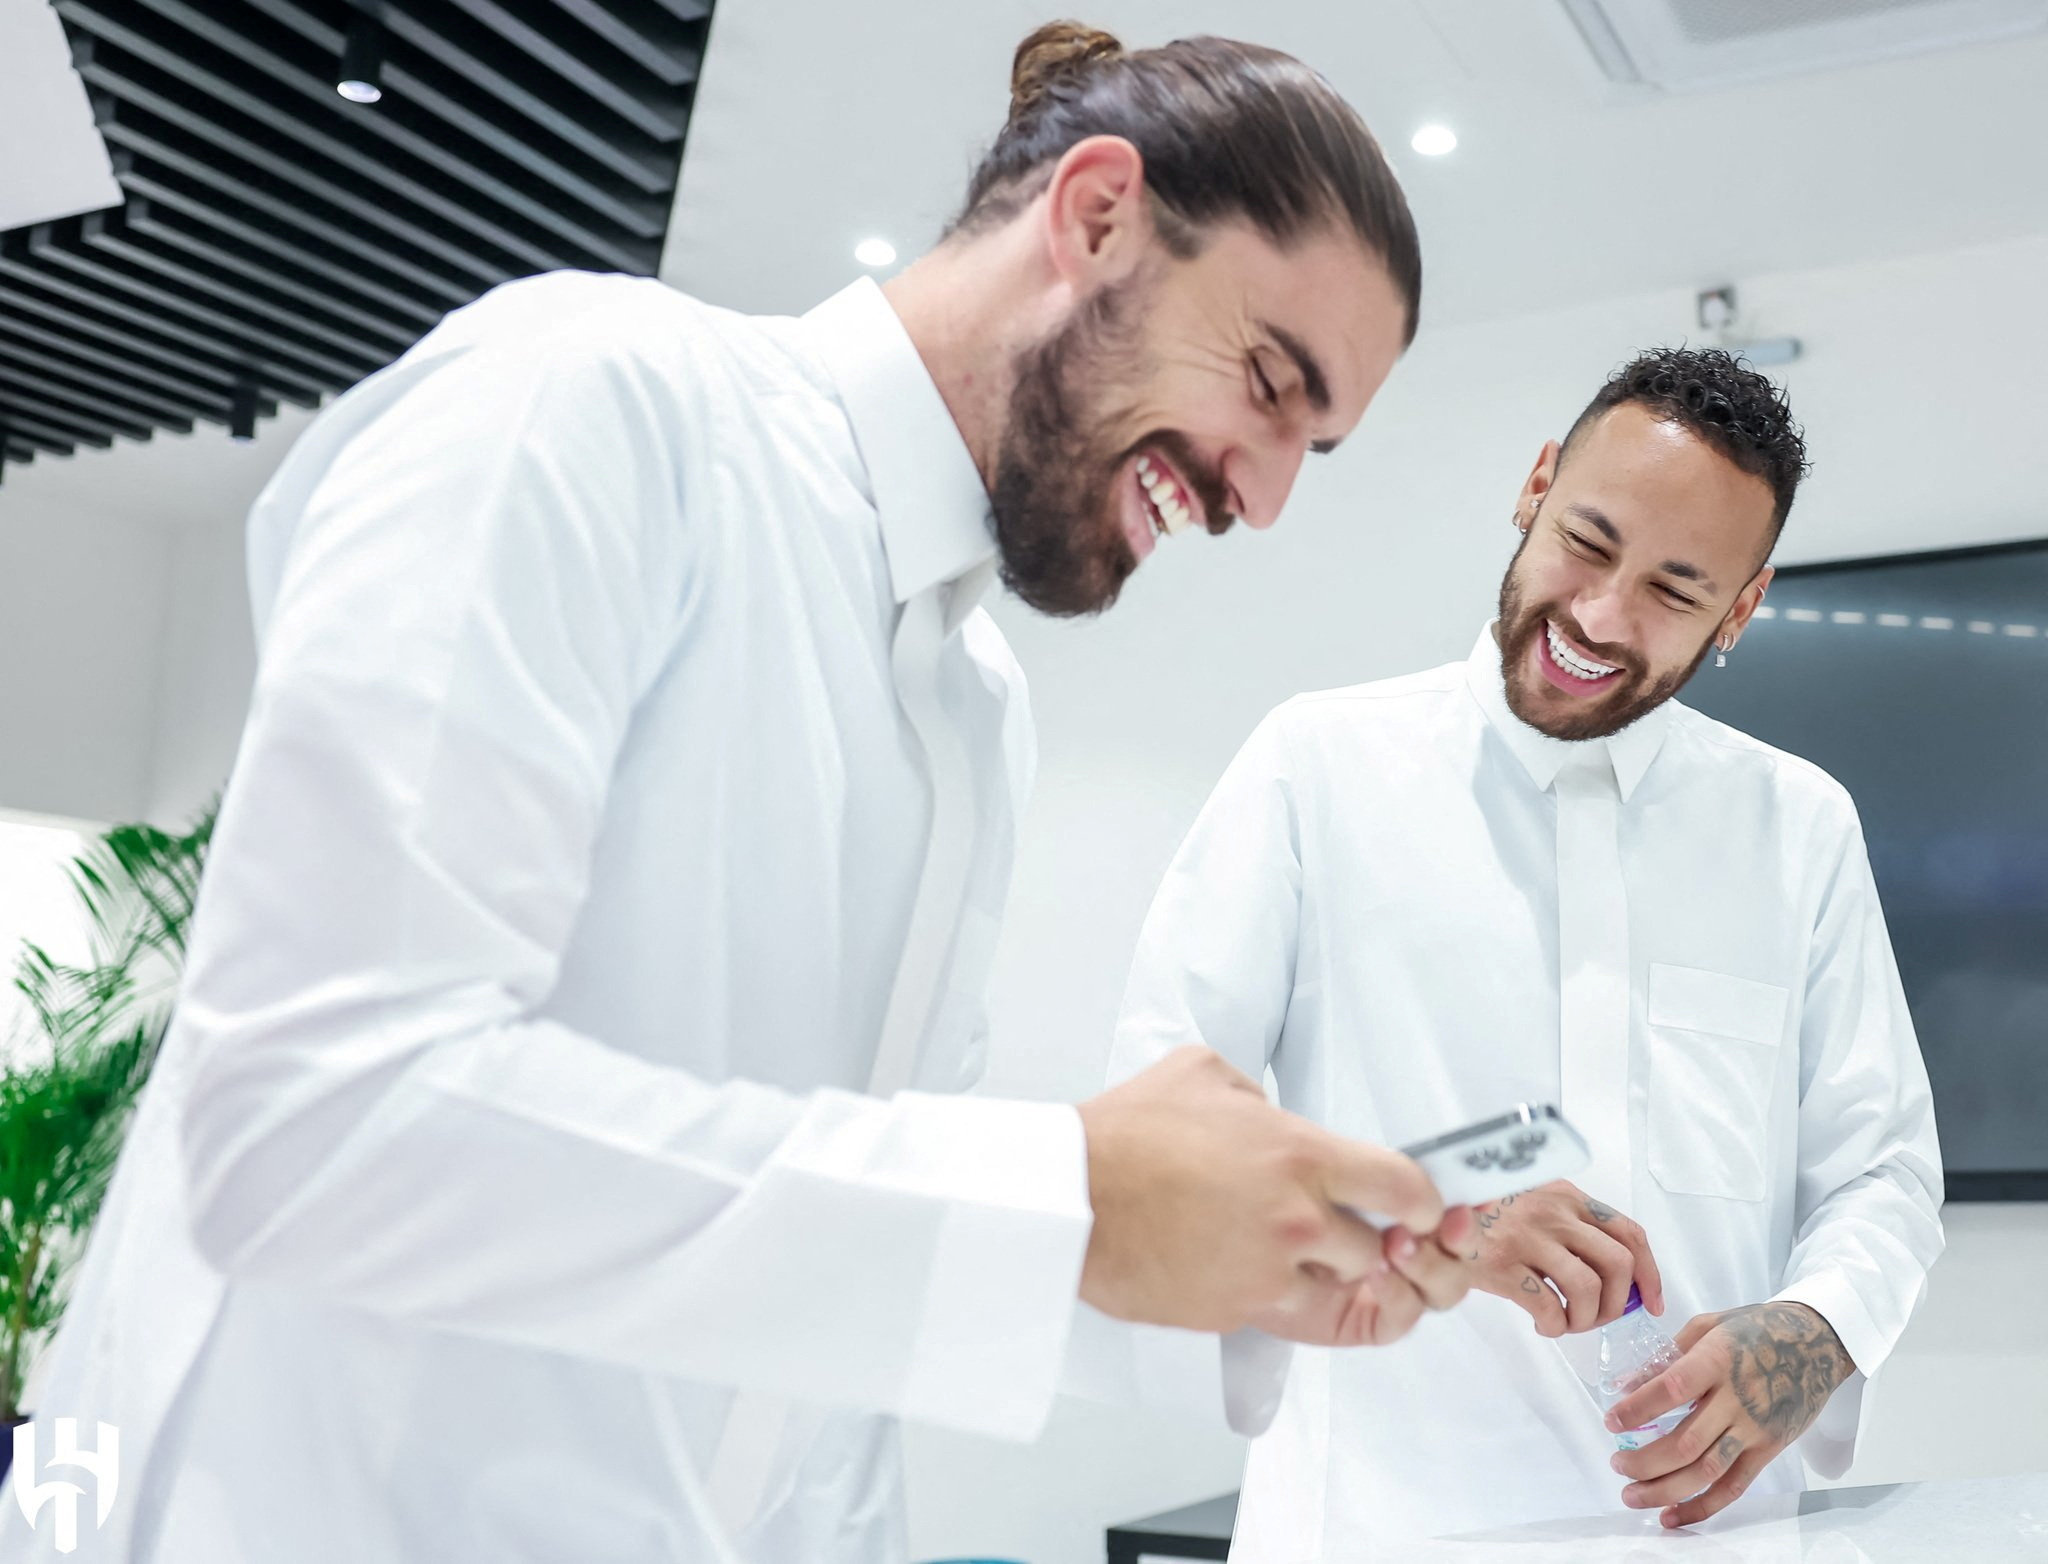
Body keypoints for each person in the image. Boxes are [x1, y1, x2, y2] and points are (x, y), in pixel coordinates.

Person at [1, 23, 1481, 1564]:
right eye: (1269, 381)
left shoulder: (980, 722)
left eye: (1316, 445)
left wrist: (1265, 1254)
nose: (1265, 496)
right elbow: (311, 1117)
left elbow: (814, 1326)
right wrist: (1069, 1195)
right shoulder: (586, 398)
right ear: (1096, 215)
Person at [1109, 348, 1945, 1557]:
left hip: (1711, 1537)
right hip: (1377, 1530)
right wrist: (1434, 1217)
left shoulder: (1797, 826)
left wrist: (1814, 1333)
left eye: (1673, 588)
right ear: (1535, 486)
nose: (1599, 619)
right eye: (1586, 543)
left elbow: (1880, 1172)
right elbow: (1156, 1138)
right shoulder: (1316, 769)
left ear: (1741, 607)